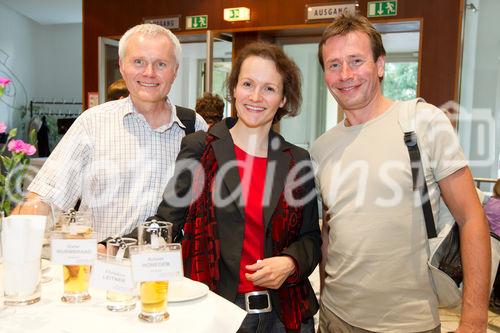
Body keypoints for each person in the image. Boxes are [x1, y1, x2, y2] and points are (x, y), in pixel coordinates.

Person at [310, 13, 491, 333]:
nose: (345, 74)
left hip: (408, 323)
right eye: (334, 64)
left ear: (380, 65)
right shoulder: (322, 149)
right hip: (335, 318)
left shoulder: (423, 122)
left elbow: (472, 217)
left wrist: (474, 321)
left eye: (356, 60)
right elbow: (329, 231)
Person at [149, 42, 321, 332]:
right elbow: (167, 222)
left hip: (285, 315)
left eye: (269, 88)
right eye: (248, 84)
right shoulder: (201, 148)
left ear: (282, 99)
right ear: (234, 89)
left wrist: (290, 263)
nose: (255, 97)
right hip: (219, 312)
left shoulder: (297, 160)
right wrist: (110, 246)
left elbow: (311, 238)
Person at [22, 24, 207, 241]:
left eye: (161, 64)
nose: (149, 73)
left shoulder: (195, 128)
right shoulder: (92, 123)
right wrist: (18, 243)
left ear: (175, 70)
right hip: (99, 267)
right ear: (122, 66)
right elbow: (46, 197)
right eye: (138, 61)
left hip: (166, 271)